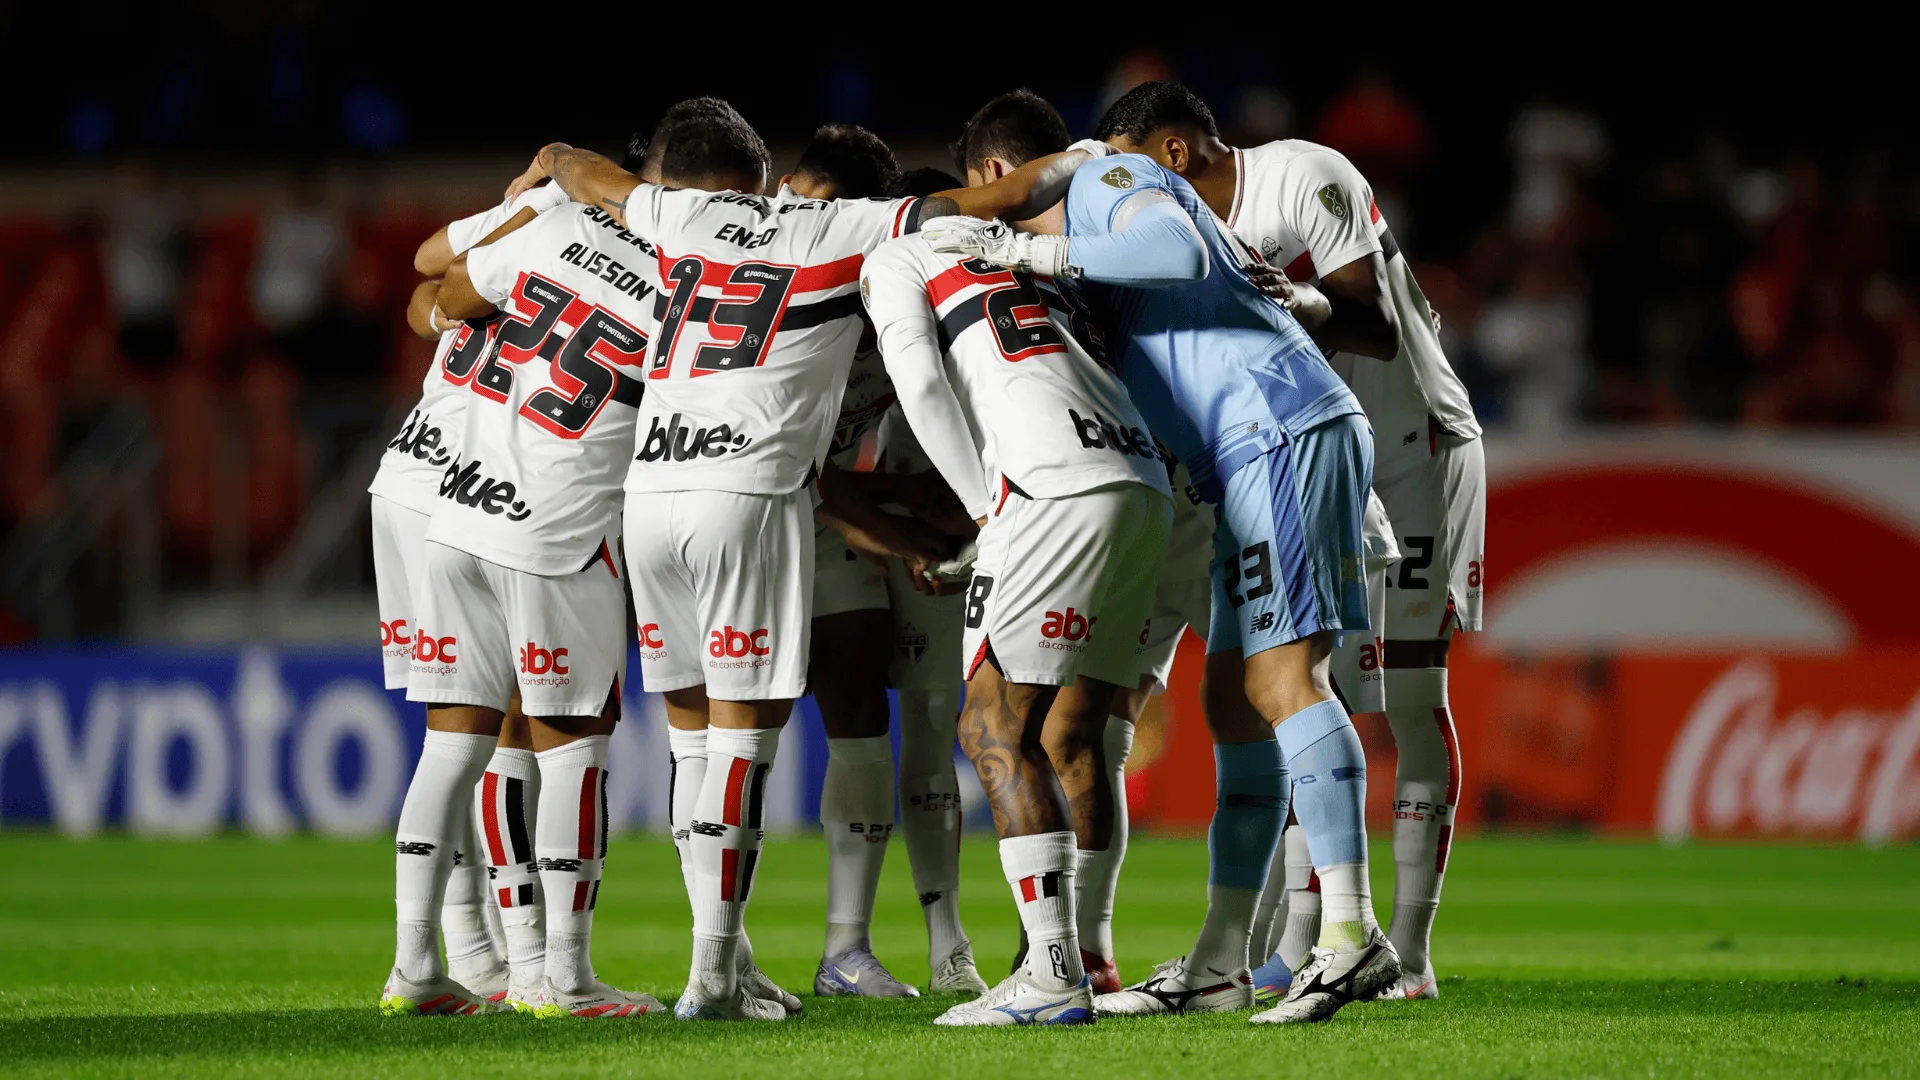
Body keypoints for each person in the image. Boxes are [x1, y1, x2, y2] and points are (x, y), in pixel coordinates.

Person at [503, 99, 1082, 1022]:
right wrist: (1081, 159)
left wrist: (550, 157)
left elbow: (591, 177)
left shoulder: (681, 211)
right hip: (750, 494)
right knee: (741, 743)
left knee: (692, 741)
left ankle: (724, 961)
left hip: (650, 493)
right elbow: (999, 199)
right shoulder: (850, 227)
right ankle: (711, 976)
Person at [924, 93, 1398, 1024]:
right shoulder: (1098, 243)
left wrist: (1025, 251)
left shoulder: (1104, 169)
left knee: (1285, 684)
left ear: (997, 179)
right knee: (1236, 703)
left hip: (1277, 431)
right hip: (1249, 456)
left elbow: (1175, 255)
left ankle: (1350, 936)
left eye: (985, 197)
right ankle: (1225, 960)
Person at [1097, 81, 1482, 1003]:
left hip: (1414, 447)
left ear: (1177, 152)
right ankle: (1294, 942)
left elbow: (1378, 329)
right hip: (1304, 458)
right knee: (1309, 685)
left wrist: (1294, 299)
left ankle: (1411, 952)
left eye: (1132, 169)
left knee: (1410, 689)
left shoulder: (1303, 176)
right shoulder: (1172, 238)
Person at [862, 123, 1174, 1024]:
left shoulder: (898, 255)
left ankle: (1048, 974)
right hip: (1139, 482)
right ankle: (1087, 953)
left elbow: (920, 388)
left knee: (993, 722)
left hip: (1046, 488)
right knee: (1076, 734)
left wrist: (981, 502)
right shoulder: (1032, 256)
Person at [374, 180, 567, 1017]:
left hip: (407, 478)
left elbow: (424, 277)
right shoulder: (614, 254)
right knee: (504, 720)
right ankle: (518, 960)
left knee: (455, 730)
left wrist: (432, 313)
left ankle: (463, 953)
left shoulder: (517, 233)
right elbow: (423, 284)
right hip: (471, 489)